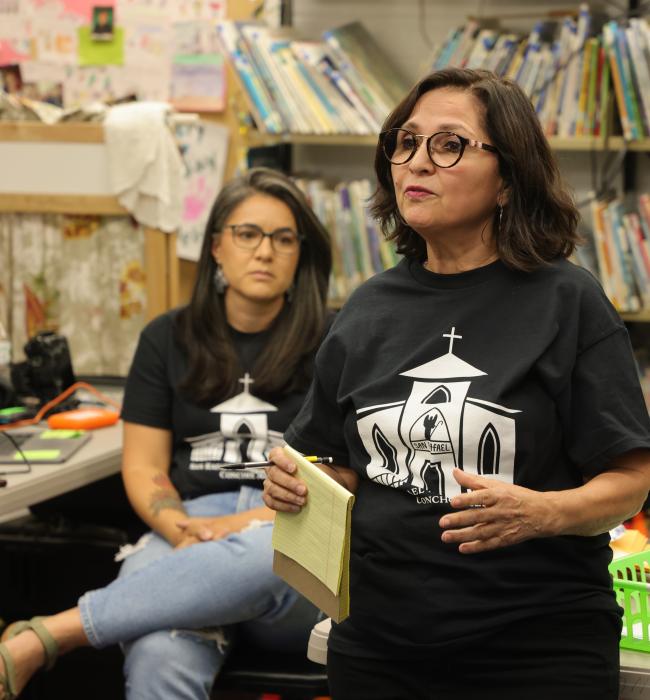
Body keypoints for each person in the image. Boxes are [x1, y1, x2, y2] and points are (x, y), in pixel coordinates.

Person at [263, 68, 650, 700]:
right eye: (406, 142)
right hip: (379, 644)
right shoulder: (366, 309)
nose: (418, 161)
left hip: (534, 645)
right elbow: (339, 467)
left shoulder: (567, 301)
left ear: (508, 179)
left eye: (449, 144)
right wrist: (299, 481)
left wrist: (543, 512)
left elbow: (632, 482)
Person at [0, 166, 332, 700]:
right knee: (159, 651)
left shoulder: (335, 340)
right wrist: (179, 528)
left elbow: (339, 478)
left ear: (300, 254)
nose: (265, 251)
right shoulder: (167, 336)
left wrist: (240, 525)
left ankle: (50, 635)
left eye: (283, 238)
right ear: (217, 247)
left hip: (290, 531)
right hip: (189, 525)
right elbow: (144, 466)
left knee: (270, 552)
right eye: (248, 234)